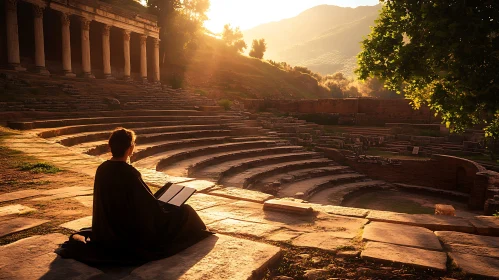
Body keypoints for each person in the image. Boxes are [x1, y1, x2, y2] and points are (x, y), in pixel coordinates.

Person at [59, 128, 211, 265]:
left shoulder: (102, 168)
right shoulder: (129, 173)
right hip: (129, 231)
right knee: (185, 210)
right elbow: (149, 209)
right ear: (130, 149)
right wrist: (164, 204)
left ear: (109, 147)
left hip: (107, 226)